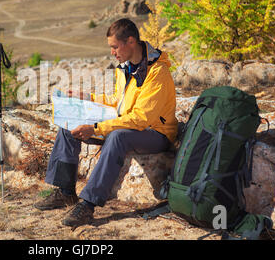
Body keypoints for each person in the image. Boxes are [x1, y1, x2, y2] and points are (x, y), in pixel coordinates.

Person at [34, 18, 178, 227]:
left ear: (130, 41)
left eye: (114, 47)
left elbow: (140, 119)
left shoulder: (158, 72)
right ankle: (65, 192)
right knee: (69, 125)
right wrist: (88, 98)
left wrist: (96, 128)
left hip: (155, 133)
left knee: (117, 137)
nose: (112, 52)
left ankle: (89, 204)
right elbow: (119, 103)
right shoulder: (126, 67)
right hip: (129, 125)